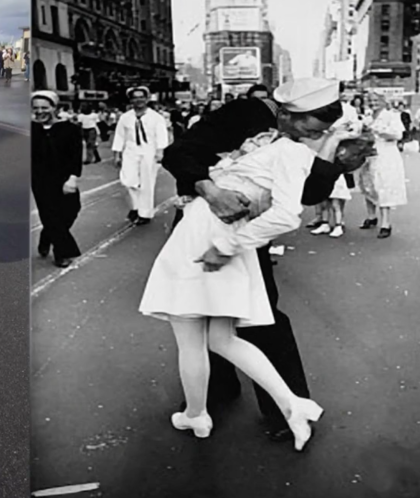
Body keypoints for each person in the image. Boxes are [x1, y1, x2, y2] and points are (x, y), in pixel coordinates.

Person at [139, 79, 370, 450]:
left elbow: (309, 194)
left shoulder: (314, 140)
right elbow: (179, 152)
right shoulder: (243, 113)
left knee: (258, 319)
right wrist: (211, 191)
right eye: (307, 127)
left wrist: (327, 151)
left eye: (320, 131)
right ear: (287, 112)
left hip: (246, 233)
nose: (310, 134)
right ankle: (214, 393)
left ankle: (281, 409)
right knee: (206, 323)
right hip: (206, 219)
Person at [31, 91, 83, 268]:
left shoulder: (70, 129)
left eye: (44, 107)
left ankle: (47, 236)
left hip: (64, 178)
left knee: (72, 210)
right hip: (40, 180)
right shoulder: (30, 129)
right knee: (50, 214)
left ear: (55, 108)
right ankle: (62, 253)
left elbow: (76, 156)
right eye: (36, 108)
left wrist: (73, 178)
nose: (40, 111)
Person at [307, 82, 363, 238]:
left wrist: (342, 133)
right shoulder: (318, 109)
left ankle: (339, 222)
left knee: (338, 189)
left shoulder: (349, 110)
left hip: (341, 153)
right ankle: (324, 221)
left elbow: (357, 130)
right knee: (320, 185)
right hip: (320, 149)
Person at [112, 86, 169, 226]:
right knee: (128, 180)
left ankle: (145, 213)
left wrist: (160, 152)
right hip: (131, 151)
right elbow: (120, 136)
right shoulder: (125, 117)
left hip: (149, 152)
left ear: (147, 99)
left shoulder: (156, 117)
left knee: (147, 183)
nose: (138, 100)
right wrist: (117, 154)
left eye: (141, 97)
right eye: (135, 97)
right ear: (131, 100)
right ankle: (135, 206)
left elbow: (161, 135)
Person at [357, 92, 407, 239]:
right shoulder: (367, 116)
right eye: (370, 101)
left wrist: (378, 130)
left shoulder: (391, 116)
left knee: (383, 186)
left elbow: (398, 135)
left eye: (376, 101)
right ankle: (371, 216)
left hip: (385, 154)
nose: (373, 103)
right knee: (368, 185)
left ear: (383, 102)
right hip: (368, 154)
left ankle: (386, 223)